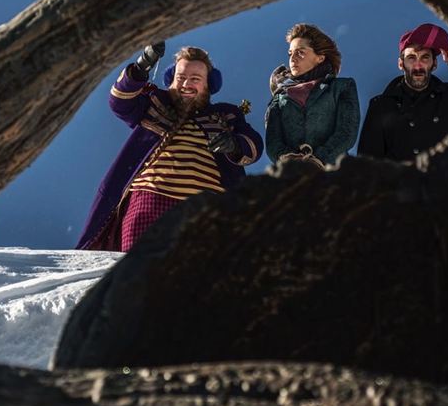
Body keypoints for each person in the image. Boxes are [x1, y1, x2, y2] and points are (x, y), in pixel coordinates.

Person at [76, 43, 263, 252]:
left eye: (195, 79)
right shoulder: (155, 104)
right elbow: (119, 101)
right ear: (172, 82)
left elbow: (253, 146)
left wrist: (235, 144)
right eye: (181, 78)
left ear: (208, 86)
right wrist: (142, 65)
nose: (186, 84)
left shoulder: (225, 115)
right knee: (140, 271)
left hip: (208, 209)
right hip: (149, 201)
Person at [357, 23, 448, 162]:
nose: (418, 65)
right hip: (401, 183)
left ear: (435, 64)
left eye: (425, 57)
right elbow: (367, 161)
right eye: (411, 58)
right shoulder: (381, 105)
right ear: (401, 64)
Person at [266, 23, 359, 168]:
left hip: (334, 176)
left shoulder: (342, 87)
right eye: (290, 53)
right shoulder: (279, 99)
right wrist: (288, 160)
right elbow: (273, 142)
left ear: (320, 58)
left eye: (300, 52)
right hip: (293, 179)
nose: (292, 59)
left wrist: (318, 160)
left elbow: (346, 133)